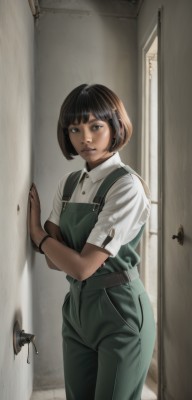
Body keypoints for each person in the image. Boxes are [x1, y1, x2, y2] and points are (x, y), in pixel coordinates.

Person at [29, 83, 156, 400]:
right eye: (75, 128)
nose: (84, 138)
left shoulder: (126, 186)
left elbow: (82, 266)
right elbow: (53, 261)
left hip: (121, 311)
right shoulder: (68, 184)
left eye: (95, 126)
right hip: (77, 309)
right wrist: (51, 246)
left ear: (114, 126)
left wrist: (39, 234)